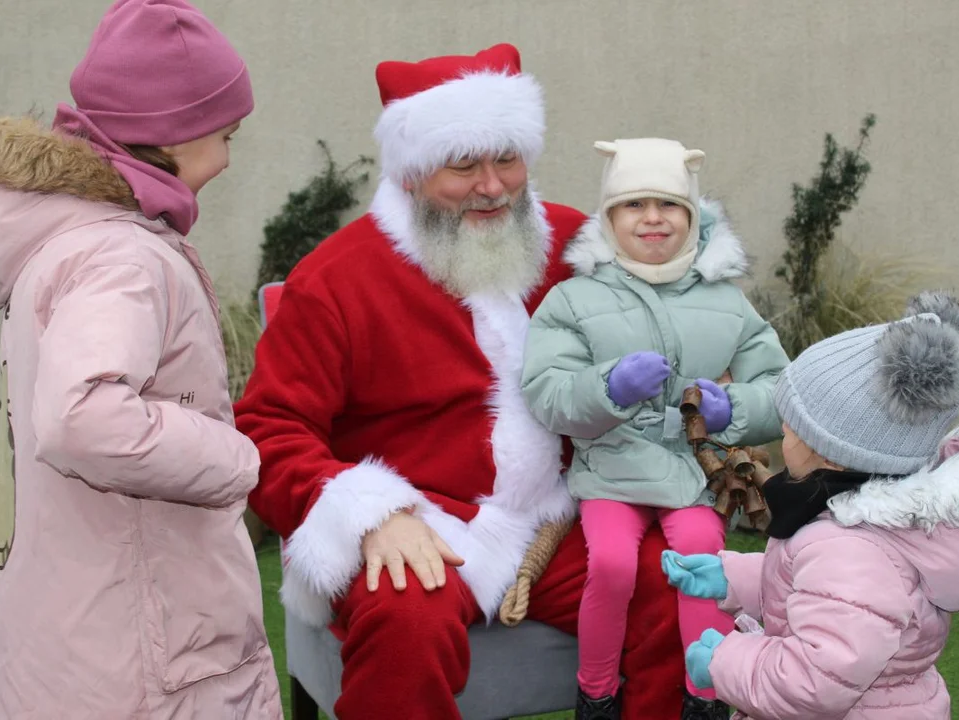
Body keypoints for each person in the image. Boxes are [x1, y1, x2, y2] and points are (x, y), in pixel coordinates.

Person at [235, 44, 686, 719]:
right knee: (405, 623)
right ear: (411, 173)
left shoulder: (574, 244)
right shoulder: (334, 281)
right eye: (464, 164)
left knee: (675, 586)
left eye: (507, 158)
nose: (494, 186)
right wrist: (371, 517)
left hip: (557, 519)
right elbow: (268, 432)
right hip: (419, 523)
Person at [0, 1, 282, 717]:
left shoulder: (67, 243)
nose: (228, 155)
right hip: (144, 658)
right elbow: (84, 420)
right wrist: (234, 456)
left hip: (79, 635)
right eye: (227, 133)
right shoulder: (120, 256)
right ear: (176, 134)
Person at [521, 138, 788, 719]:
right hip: (610, 468)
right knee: (613, 564)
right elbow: (546, 392)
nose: (651, 218)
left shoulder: (726, 301)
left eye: (669, 205)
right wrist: (609, 388)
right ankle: (596, 694)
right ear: (609, 217)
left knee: (703, 559)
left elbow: (781, 387)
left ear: (692, 217)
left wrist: (732, 410)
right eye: (632, 204)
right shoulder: (573, 299)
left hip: (692, 471)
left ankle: (707, 695)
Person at [663, 291, 959, 719]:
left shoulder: (847, 549)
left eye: (793, 426)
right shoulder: (856, 520)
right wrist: (736, 578)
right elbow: (827, 598)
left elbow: (816, 681)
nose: (783, 430)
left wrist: (726, 661)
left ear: (830, 451)